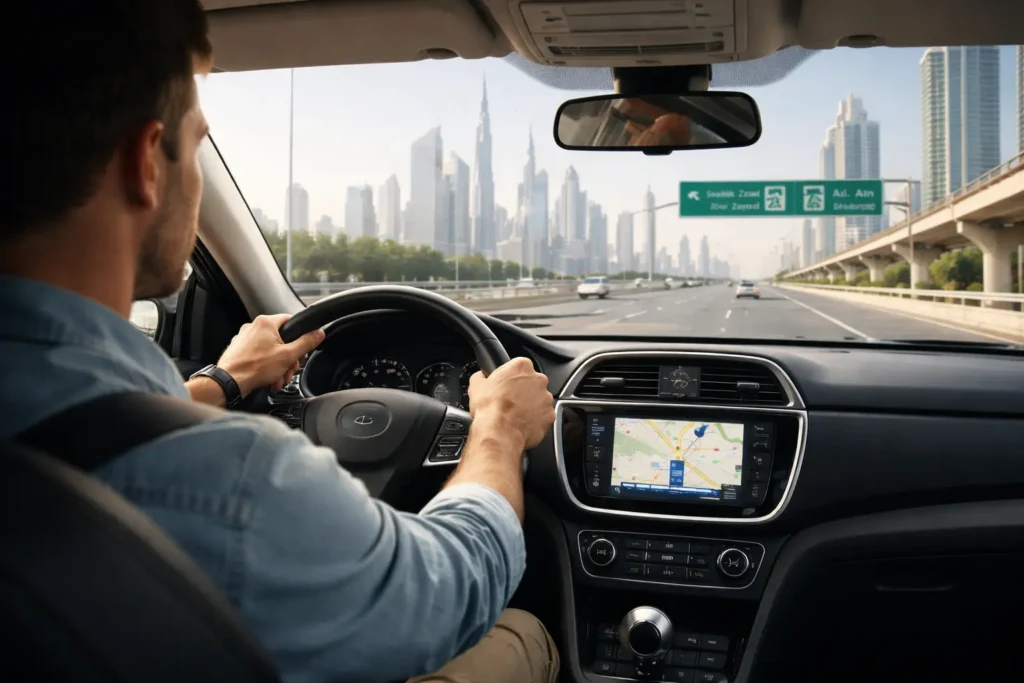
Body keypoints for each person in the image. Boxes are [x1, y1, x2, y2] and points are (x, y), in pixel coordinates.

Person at [0, 2, 559, 683]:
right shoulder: (235, 484)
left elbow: (80, 428)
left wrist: (221, 381)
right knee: (521, 634)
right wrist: (499, 430)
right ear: (146, 163)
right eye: (196, 145)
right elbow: (448, 586)